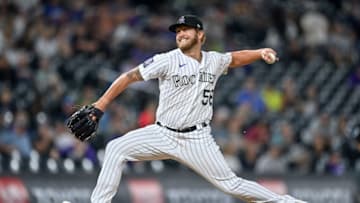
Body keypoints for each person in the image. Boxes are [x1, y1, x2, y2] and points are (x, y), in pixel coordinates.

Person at [88, 15, 307, 203]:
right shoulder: (167, 60)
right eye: (178, 31)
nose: (180, 34)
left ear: (200, 35)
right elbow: (129, 76)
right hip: (162, 132)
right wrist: (100, 106)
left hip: (197, 138)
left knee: (231, 185)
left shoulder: (213, 60)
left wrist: (260, 52)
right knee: (115, 148)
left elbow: (234, 58)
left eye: (186, 30)